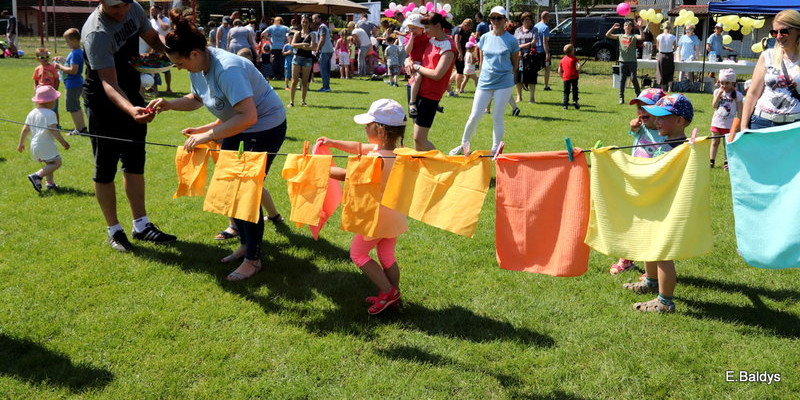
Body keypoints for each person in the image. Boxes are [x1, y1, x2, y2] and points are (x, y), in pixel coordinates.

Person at [147, 11, 287, 281]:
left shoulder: (228, 69)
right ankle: (246, 244)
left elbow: (249, 116)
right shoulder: (200, 66)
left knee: (245, 190)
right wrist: (169, 105)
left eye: (179, 64)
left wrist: (207, 135)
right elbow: (197, 98)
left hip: (264, 127)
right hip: (241, 124)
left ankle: (253, 259)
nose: (179, 69)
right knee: (232, 187)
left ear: (195, 54)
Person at [81, 0, 177, 252]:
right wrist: (130, 110)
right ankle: (114, 230)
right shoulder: (96, 33)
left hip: (133, 95)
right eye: (115, 8)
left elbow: (152, 38)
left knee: (135, 162)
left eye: (124, 4)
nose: (122, 12)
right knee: (105, 168)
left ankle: (141, 225)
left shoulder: (133, 8)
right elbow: (109, 83)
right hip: (103, 103)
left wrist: (171, 53)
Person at [317, 99, 408, 315]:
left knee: (358, 254)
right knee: (387, 255)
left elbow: (349, 175)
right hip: (395, 215)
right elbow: (358, 147)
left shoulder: (376, 158)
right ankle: (393, 293)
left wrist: (319, 167)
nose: (365, 128)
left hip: (375, 218)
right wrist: (332, 142)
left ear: (380, 130)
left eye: (368, 124)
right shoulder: (399, 152)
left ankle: (387, 292)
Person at [623, 93, 694, 313]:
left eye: (662, 118)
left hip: (667, 209)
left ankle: (664, 301)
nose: (657, 121)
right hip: (656, 204)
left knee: (662, 253)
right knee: (648, 245)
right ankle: (651, 281)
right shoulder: (667, 142)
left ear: (680, 121)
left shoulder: (679, 148)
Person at [607, 88, 668, 276]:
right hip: (634, 183)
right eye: (639, 108)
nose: (641, 111)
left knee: (650, 225)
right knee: (631, 221)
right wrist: (634, 128)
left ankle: (651, 266)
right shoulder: (640, 128)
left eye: (646, 107)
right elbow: (634, 133)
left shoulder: (666, 132)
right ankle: (627, 258)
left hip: (654, 187)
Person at [450, 6, 519, 156]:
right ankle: (464, 145)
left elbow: (515, 64)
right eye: (493, 18)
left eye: (499, 18)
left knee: (497, 116)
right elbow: (481, 59)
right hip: (485, 82)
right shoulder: (485, 38)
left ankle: (495, 150)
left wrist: (505, 74)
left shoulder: (512, 40)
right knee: (474, 115)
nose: (495, 21)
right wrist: (481, 73)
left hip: (504, 82)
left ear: (504, 20)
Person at [741, 10, 800, 131]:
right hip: (761, 122)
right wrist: (744, 127)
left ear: (798, 30)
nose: (778, 36)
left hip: (794, 126)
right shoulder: (767, 55)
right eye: (774, 32)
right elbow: (752, 93)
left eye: (784, 31)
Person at [403, 12, 455, 151]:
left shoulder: (448, 47)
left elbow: (437, 74)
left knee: (419, 138)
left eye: (427, 28)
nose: (425, 31)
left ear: (438, 26)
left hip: (430, 94)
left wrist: (417, 67)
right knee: (416, 137)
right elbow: (411, 53)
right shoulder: (431, 39)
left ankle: (444, 165)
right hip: (415, 87)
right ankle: (420, 166)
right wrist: (408, 60)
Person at [17, 85, 70, 192]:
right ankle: (37, 176)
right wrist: (63, 142)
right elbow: (53, 130)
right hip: (45, 144)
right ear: (50, 102)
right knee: (56, 163)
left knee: (49, 164)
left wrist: (21, 143)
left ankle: (50, 184)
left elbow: (25, 129)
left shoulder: (32, 113)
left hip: (34, 145)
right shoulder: (50, 113)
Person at [53, 28, 87, 134]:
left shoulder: (76, 53)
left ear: (74, 41)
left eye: (67, 41)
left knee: (73, 107)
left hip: (73, 84)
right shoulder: (77, 52)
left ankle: (79, 129)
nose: (67, 44)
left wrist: (59, 67)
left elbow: (73, 70)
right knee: (76, 106)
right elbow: (70, 64)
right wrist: (63, 60)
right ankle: (81, 127)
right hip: (76, 83)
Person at [710, 68, 743, 169]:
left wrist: (739, 124)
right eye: (722, 83)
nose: (723, 86)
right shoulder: (717, 92)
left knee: (727, 144)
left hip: (729, 124)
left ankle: (726, 162)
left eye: (727, 83)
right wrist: (718, 95)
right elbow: (714, 106)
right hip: (717, 122)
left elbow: (740, 111)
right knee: (715, 142)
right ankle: (711, 161)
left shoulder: (737, 95)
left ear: (733, 83)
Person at [606, 20, 643, 105]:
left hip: (632, 61)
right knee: (622, 79)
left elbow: (641, 37)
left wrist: (640, 27)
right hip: (622, 61)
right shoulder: (620, 36)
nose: (627, 27)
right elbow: (607, 35)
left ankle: (639, 96)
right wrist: (613, 28)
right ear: (624, 27)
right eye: (626, 25)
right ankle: (621, 97)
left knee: (633, 78)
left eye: (629, 26)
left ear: (631, 28)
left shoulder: (634, 36)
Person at [403, 13, 429, 119]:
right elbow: (407, 51)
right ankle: (412, 102)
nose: (411, 30)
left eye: (414, 28)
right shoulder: (409, 37)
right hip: (415, 63)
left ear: (422, 28)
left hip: (426, 63)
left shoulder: (427, 37)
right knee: (417, 78)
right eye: (410, 28)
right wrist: (411, 39)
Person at [289, 15, 317, 107]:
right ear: (301, 22)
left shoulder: (312, 34)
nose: (304, 24)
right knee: (294, 81)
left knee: (305, 82)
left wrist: (300, 46)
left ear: (309, 23)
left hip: (307, 59)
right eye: (303, 22)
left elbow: (313, 47)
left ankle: (303, 101)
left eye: (306, 22)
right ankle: (291, 102)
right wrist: (303, 44)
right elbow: (292, 44)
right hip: (297, 58)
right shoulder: (297, 33)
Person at [513, 12, 537, 103]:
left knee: (531, 76)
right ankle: (519, 97)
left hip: (530, 56)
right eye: (525, 19)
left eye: (529, 19)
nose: (527, 21)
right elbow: (514, 43)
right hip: (518, 56)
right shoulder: (518, 30)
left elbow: (533, 42)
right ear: (522, 20)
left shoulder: (534, 30)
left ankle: (532, 98)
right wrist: (520, 49)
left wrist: (520, 46)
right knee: (517, 76)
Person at [32, 47, 60, 124]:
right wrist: (36, 90)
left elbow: (57, 79)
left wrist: (55, 90)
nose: (45, 59)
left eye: (47, 57)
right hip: (41, 92)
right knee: (42, 109)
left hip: (51, 92)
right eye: (42, 57)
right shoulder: (37, 69)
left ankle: (56, 125)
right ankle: (44, 124)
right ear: (37, 59)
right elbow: (36, 80)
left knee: (54, 109)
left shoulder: (52, 68)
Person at [150, 5, 173, 94]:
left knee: (166, 69)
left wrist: (159, 18)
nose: (152, 13)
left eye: (154, 11)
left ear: (159, 11)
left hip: (164, 48)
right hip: (154, 48)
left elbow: (165, 28)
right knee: (153, 69)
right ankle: (155, 90)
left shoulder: (166, 20)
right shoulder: (151, 21)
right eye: (151, 11)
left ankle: (168, 88)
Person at [312, 14, 334, 92]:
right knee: (327, 70)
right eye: (313, 19)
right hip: (329, 50)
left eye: (315, 19)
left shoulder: (322, 27)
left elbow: (322, 39)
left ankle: (325, 87)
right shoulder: (324, 26)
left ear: (319, 18)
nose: (314, 21)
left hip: (325, 50)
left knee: (323, 69)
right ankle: (327, 86)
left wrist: (317, 49)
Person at [452, 18, 473, 94]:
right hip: (458, 53)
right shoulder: (459, 30)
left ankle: (448, 83)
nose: (467, 29)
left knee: (458, 70)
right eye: (467, 27)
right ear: (465, 24)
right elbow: (457, 41)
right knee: (460, 71)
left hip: (457, 52)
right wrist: (460, 53)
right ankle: (458, 88)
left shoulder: (456, 28)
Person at [533, 11, 552, 94]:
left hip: (535, 50)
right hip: (542, 51)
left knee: (535, 69)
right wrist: (547, 53)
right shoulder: (545, 27)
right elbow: (545, 42)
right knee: (547, 68)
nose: (549, 19)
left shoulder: (535, 26)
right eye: (548, 17)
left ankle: (531, 82)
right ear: (545, 17)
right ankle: (546, 85)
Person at [558, 43, 581, 110]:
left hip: (566, 78)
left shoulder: (562, 60)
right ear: (572, 51)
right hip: (574, 77)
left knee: (566, 91)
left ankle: (565, 105)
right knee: (575, 89)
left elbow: (559, 71)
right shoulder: (575, 59)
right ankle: (575, 101)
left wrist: (562, 77)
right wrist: (579, 69)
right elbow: (578, 67)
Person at [655, 22, 676, 92]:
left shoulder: (659, 36)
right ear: (670, 29)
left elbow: (657, 47)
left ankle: (662, 88)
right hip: (669, 55)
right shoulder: (673, 37)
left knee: (661, 72)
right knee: (670, 72)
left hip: (661, 55)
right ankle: (670, 88)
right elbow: (675, 47)